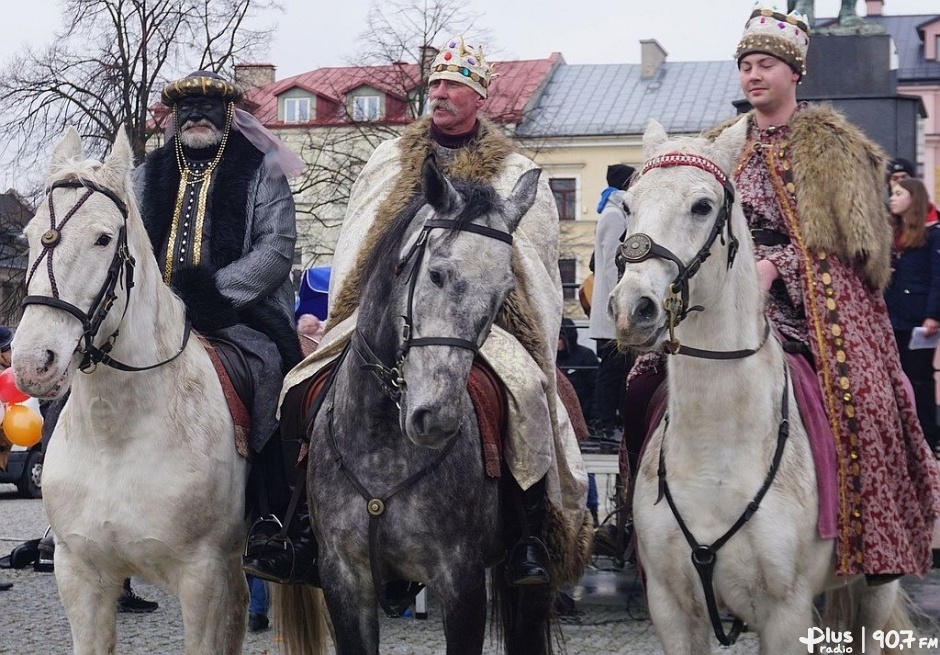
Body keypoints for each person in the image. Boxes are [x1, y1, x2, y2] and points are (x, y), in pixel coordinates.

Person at [275, 35, 588, 587]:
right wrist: (357, 302)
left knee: (529, 395)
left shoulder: (515, 172)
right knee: (300, 385)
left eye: (454, 86)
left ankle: (527, 536)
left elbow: (531, 261)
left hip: (480, 322)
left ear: (479, 98)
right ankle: (298, 521)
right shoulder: (389, 159)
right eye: (436, 84)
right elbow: (359, 240)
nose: (440, 94)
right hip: (383, 313)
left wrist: (492, 306)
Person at [722, 0, 940, 579]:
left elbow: (859, 246)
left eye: (766, 64)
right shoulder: (725, 144)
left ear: (794, 73)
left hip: (808, 298)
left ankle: (873, 542)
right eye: (747, 65)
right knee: (647, 381)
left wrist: (779, 268)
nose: (754, 75)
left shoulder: (834, 146)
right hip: (724, 293)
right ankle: (643, 525)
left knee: (861, 392)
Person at [131, 71, 307, 580]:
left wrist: (209, 294)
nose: (197, 115)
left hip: (239, 312)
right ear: (173, 117)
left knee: (274, 372)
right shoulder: (148, 174)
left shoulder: (261, 171)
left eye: (208, 106)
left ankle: (272, 515)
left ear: (228, 113)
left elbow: (275, 250)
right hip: (153, 312)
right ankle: (69, 508)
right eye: (187, 108)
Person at [885, 178, 940, 452]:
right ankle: (904, 438)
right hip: (893, 316)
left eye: (898, 193)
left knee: (919, 378)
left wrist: (933, 315)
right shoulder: (893, 233)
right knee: (897, 377)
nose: (892, 198)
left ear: (913, 198)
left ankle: (929, 438)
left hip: (918, 319)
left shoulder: (933, 235)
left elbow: (937, 277)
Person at [590, 164, 636, 440]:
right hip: (615, 309)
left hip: (618, 305)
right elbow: (609, 265)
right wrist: (618, 303)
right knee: (611, 368)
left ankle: (612, 420)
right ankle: (605, 422)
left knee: (619, 366)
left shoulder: (618, 211)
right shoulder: (613, 215)